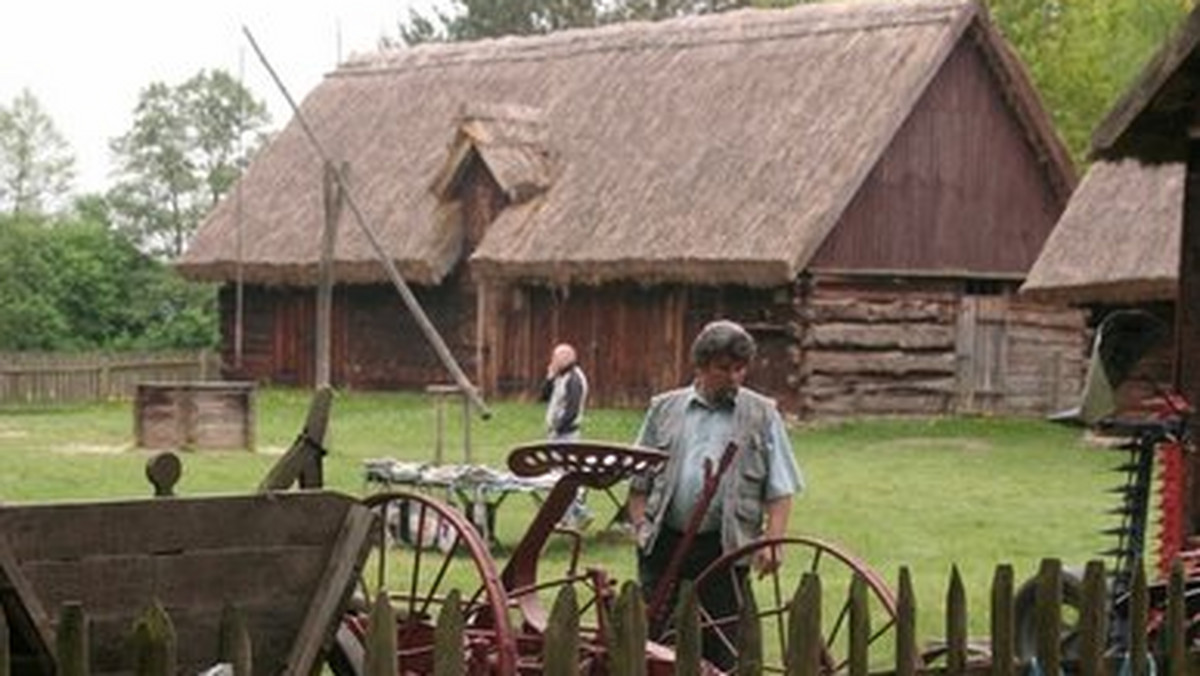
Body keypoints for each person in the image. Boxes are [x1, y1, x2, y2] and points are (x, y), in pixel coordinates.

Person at [627, 319, 803, 670]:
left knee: (725, 640)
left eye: (741, 369)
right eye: (725, 369)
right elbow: (638, 480)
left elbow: (780, 487)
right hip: (665, 540)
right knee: (656, 637)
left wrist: (773, 541)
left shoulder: (761, 414)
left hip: (723, 545)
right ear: (702, 366)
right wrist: (640, 525)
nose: (735, 377)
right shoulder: (665, 408)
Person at [539, 342, 592, 528]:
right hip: (557, 435)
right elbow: (543, 397)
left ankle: (578, 513)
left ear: (567, 358)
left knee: (564, 477)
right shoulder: (561, 377)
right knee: (556, 476)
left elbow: (572, 410)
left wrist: (558, 430)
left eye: (556, 358)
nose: (552, 361)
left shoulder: (574, 379)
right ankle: (566, 516)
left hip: (566, 436)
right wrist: (549, 377)